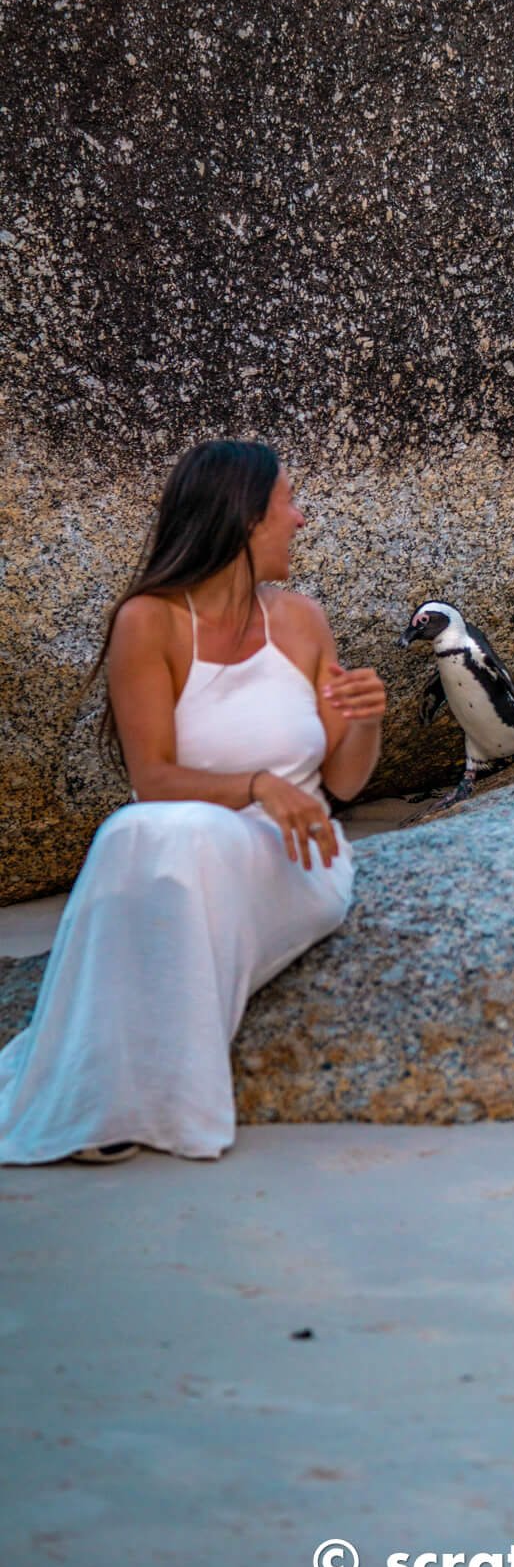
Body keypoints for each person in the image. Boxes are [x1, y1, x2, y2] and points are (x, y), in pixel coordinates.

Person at [0, 439, 387, 1166]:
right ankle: (104, 1099)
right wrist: (253, 786)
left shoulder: (303, 620)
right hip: (184, 852)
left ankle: (152, 1102)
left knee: (163, 837)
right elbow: (154, 778)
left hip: (293, 862)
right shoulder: (148, 622)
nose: (300, 520)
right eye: (287, 504)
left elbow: (343, 783)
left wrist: (364, 718)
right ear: (244, 517)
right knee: (140, 830)